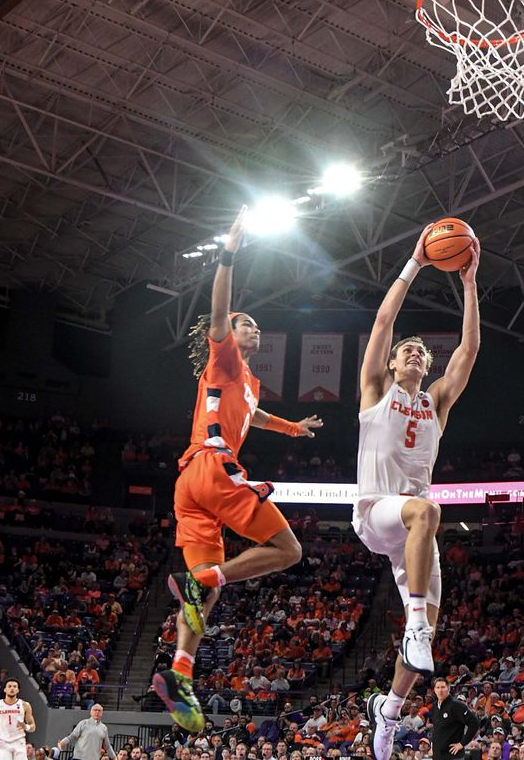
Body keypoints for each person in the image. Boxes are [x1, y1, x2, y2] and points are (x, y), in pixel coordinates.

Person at [152, 207, 323, 731]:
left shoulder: (246, 383)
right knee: (288, 551)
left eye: (252, 326)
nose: (254, 329)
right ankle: (204, 577)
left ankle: (180, 671)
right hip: (213, 466)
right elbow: (219, 303)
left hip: (190, 486)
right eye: (250, 323)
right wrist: (229, 251)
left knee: (206, 596)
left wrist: (292, 428)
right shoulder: (224, 357)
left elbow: (258, 414)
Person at [354, 225, 480, 760]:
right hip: (377, 512)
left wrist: (470, 283)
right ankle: (417, 628)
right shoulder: (376, 390)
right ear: (390, 363)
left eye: (421, 352)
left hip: (412, 527)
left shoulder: (436, 404)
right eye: (406, 349)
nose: (414, 353)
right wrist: (414, 263)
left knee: (426, 622)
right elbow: (384, 320)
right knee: (428, 511)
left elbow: (469, 350)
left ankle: (389, 709)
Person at [0, 679, 35, 760]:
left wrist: (26, 727)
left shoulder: (25, 705)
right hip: (3, 742)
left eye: (14, 686)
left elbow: (33, 727)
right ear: (5, 689)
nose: (12, 688)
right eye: (9, 686)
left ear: (18, 690)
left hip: (19, 741)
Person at [430, 678, 480, 760]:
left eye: (443, 687)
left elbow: (474, 723)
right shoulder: (434, 706)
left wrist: (462, 744)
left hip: (453, 756)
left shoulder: (456, 705)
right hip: (437, 755)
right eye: (438, 688)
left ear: (448, 689)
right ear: (434, 690)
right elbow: (437, 727)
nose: (440, 690)